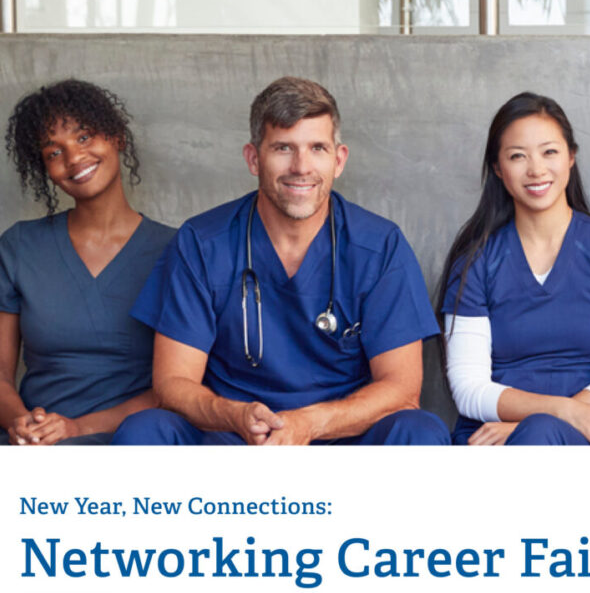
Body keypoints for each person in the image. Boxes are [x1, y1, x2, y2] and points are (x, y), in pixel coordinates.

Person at [112, 77, 448, 445]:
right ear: (254, 158)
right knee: (145, 430)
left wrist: (309, 423)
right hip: (233, 437)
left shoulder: (379, 246)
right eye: (283, 148)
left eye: (317, 148)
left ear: (338, 160)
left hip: (343, 438)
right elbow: (173, 384)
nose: (301, 167)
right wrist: (235, 416)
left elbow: (401, 389)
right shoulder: (202, 243)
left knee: (420, 431)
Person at [439, 92, 590, 446]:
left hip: (581, 438)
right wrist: (557, 412)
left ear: (571, 157)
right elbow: (468, 388)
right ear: (498, 168)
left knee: (540, 433)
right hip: (491, 440)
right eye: (517, 156)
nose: (536, 169)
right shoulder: (475, 261)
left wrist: (547, 422)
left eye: (549, 152)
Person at [0, 79, 175, 445]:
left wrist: (77, 428)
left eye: (84, 137)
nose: (73, 158)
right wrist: (24, 425)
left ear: (117, 136)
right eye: (54, 152)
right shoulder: (19, 248)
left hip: (133, 442)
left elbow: (182, 386)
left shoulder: (177, 251)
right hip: (33, 446)